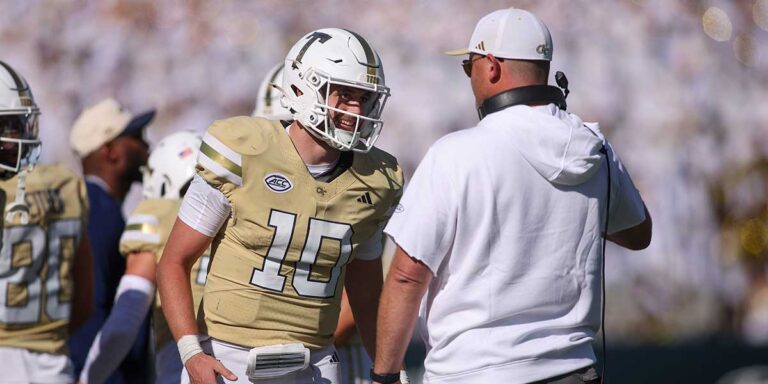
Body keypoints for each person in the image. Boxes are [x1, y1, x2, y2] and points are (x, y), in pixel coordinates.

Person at [373, 8, 652, 384]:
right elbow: (638, 233)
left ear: (491, 67)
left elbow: (407, 277)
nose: (469, 77)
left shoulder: (455, 154)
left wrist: (385, 376)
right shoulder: (595, 150)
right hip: (573, 370)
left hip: (474, 373)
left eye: (469, 66)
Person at [157, 27, 402, 384]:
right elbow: (174, 262)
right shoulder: (245, 150)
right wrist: (192, 354)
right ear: (303, 88)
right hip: (228, 359)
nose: (356, 109)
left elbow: (366, 295)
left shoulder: (377, 179)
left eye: (364, 98)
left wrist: (388, 371)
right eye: (345, 94)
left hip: (317, 364)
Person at [254, 61, 375, 384]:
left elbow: (362, 295)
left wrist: (303, 349)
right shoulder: (255, 181)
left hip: (337, 356)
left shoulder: (363, 186)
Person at [78, 131, 209, 384]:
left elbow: (127, 316)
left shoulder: (158, 213)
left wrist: (88, 378)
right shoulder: (241, 215)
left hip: (185, 365)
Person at [0, 60, 93, 383]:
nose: (14, 136)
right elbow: (84, 300)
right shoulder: (65, 185)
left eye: (14, 126)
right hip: (54, 367)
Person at [68, 98, 154, 383]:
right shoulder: (95, 210)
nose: (146, 146)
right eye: (136, 137)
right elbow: (91, 306)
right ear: (110, 151)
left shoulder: (99, 206)